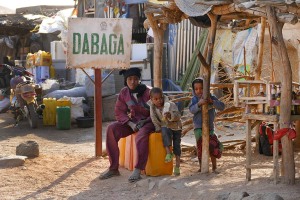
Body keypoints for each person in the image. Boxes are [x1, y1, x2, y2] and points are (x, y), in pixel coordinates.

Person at [99, 67, 155, 182]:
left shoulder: (149, 92)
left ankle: (138, 169)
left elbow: (158, 111)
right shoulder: (124, 93)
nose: (133, 82)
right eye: (130, 79)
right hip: (133, 122)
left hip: (149, 122)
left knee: (141, 134)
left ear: (139, 80)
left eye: (135, 79)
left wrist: (145, 122)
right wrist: (130, 124)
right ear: (125, 80)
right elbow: (119, 112)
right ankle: (114, 168)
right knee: (111, 129)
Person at [189, 77, 225, 173]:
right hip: (198, 129)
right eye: (196, 89)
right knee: (200, 148)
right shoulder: (194, 99)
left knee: (212, 146)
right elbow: (191, 110)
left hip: (210, 128)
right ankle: (202, 167)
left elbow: (222, 106)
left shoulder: (211, 98)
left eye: (201, 88)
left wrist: (212, 102)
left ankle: (214, 167)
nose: (199, 91)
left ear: (206, 88)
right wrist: (199, 104)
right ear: (193, 90)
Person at [148, 87, 182, 176]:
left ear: (163, 97)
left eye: (160, 98)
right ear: (151, 99)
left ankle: (177, 166)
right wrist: (157, 128)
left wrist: (171, 115)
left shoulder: (170, 104)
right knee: (164, 130)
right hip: (166, 126)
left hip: (176, 127)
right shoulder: (152, 108)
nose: (159, 101)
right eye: (156, 99)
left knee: (177, 146)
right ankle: (168, 153)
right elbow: (154, 119)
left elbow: (178, 115)